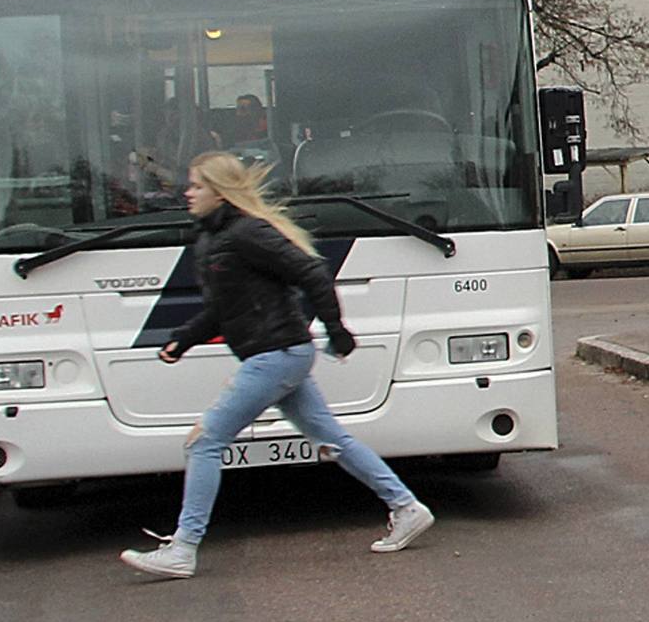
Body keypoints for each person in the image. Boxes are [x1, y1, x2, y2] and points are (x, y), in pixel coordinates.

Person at [120, 153, 435, 579]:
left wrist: (336, 330)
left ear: (219, 191)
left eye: (195, 186)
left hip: (276, 354)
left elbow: (313, 274)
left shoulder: (246, 233)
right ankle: (406, 507)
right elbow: (222, 309)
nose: (187, 193)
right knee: (331, 436)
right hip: (279, 353)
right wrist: (183, 339)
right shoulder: (218, 238)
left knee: (204, 441)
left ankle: (183, 548)